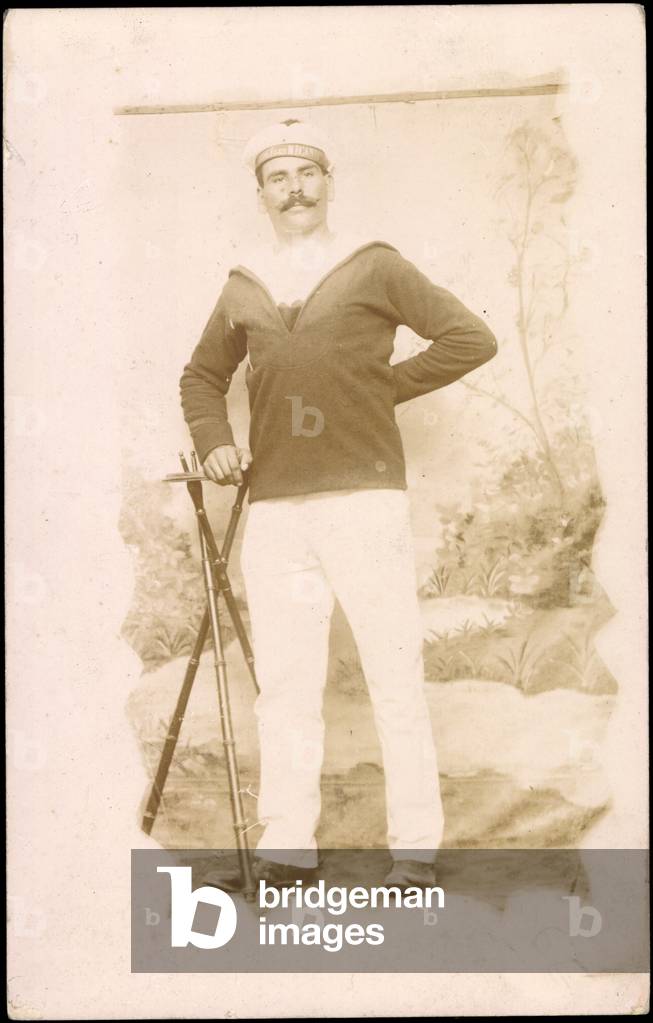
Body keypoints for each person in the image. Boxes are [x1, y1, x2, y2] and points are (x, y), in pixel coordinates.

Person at [179, 120, 497, 889]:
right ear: (260, 194)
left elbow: (469, 337)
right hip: (277, 510)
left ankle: (414, 849)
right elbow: (200, 378)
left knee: (393, 673)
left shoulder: (373, 263)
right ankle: (289, 846)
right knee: (287, 684)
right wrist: (215, 440)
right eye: (278, 177)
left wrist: (381, 387)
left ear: (328, 182)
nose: (295, 189)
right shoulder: (243, 283)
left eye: (307, 173)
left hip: (364, 502)